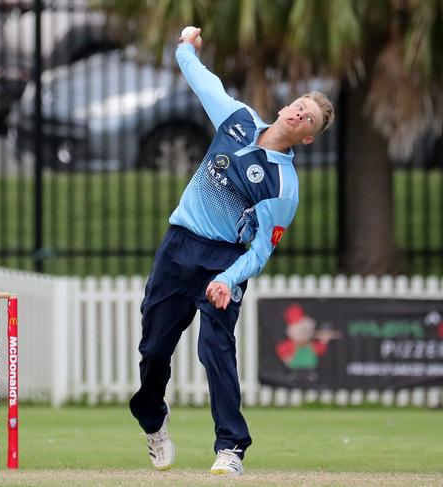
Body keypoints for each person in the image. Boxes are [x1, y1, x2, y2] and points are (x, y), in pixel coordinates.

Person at [129, 26, 335, 476]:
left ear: (308, 138)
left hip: (224, 259)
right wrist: (185, 47)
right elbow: (204, 81)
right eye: (299, 106)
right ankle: (153, 419)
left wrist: (227, 279)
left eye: (309, 121)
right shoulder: (237, 118)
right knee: (153, 349)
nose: (300, 115)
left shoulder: (283, 186)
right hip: (178, 245)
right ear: (286, 107)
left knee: (215, 347)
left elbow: (260, 252)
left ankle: (231, 447)